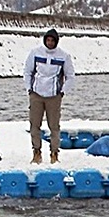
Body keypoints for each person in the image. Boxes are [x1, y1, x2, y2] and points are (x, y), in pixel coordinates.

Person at [24, 28, 77, 165]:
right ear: (45, 40)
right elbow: (27, 72)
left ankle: (54, 153)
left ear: (56, 42)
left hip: (54, 96)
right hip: (36, 94)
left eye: (53, 40)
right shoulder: (35, 53)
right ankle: (37, 152)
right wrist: (29, 89)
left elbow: (70, 77)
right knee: (34, 125)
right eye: (48, 40)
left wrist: (62, 92)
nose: (50, 43)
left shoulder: (64, 56)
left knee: (54, 126)